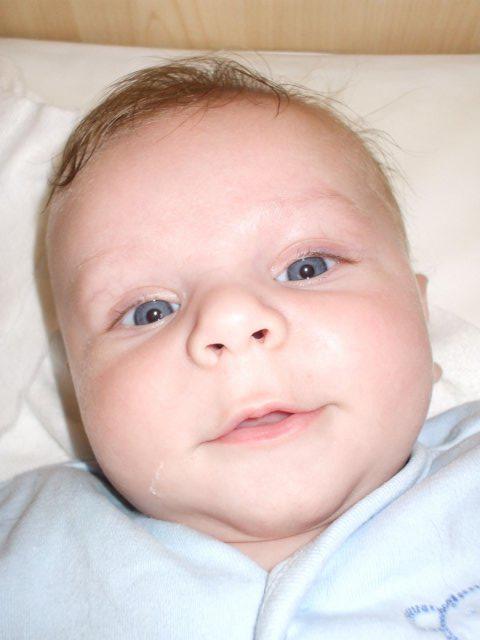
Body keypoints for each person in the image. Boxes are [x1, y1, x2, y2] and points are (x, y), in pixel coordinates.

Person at [1, 55, 479, 639]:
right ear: (76, 389)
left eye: (307, 267)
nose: (229, 320)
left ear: (421, 319)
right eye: (150, 311)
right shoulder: (27, 539)